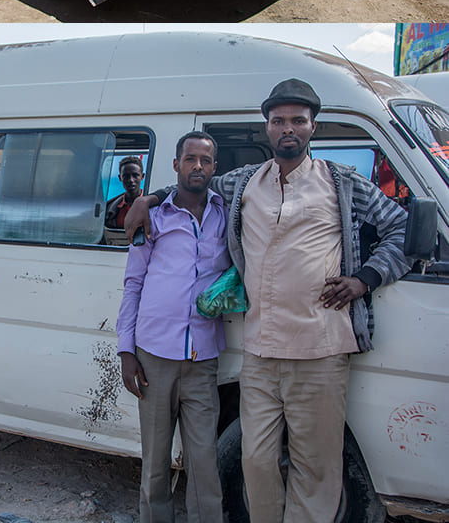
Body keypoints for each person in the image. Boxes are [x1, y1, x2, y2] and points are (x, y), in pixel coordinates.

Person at [126, 79, 409, 523]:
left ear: (313, 127)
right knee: (256, 462)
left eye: (298, 120)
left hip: (321, 349)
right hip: (259, 354)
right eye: (279, 121)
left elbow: (402, 228)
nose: (288, 128)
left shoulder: (342, 182)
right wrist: (150, 197)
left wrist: (365, 279)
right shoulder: (243, 183)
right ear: (268, 129)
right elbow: (193, 182)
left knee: (316, 469)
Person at [117, 133, 227, 523]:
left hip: (203, 359)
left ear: (214, 168)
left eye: (206, 161)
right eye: (190, 159)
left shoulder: (226, 214)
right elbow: (133, 284)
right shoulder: (153, 217)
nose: (198, 166)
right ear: (177, 165)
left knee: (205, 463)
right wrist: (126, 352)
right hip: (153, 358)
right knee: (156, 464)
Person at [105, 155, 145, 229]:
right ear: (120, 178)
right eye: (126, 176)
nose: (131, 180)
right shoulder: (109, 208)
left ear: (142, 176)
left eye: (135, 175)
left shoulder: (153, 206)